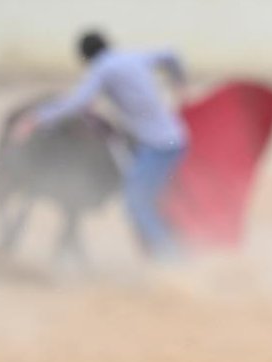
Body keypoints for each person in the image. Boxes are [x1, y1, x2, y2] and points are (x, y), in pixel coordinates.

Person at [14, 31, 189, 259]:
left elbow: (75, 103)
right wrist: (179, 83)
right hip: (174, 138)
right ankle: (170, 250)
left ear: (85, 58)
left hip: (158, 146)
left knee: (136, 202)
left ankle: (171, 258)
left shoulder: (102, 69)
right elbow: (170, 54)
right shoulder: (132, 57)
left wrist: (34, 119)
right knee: (147, 199)